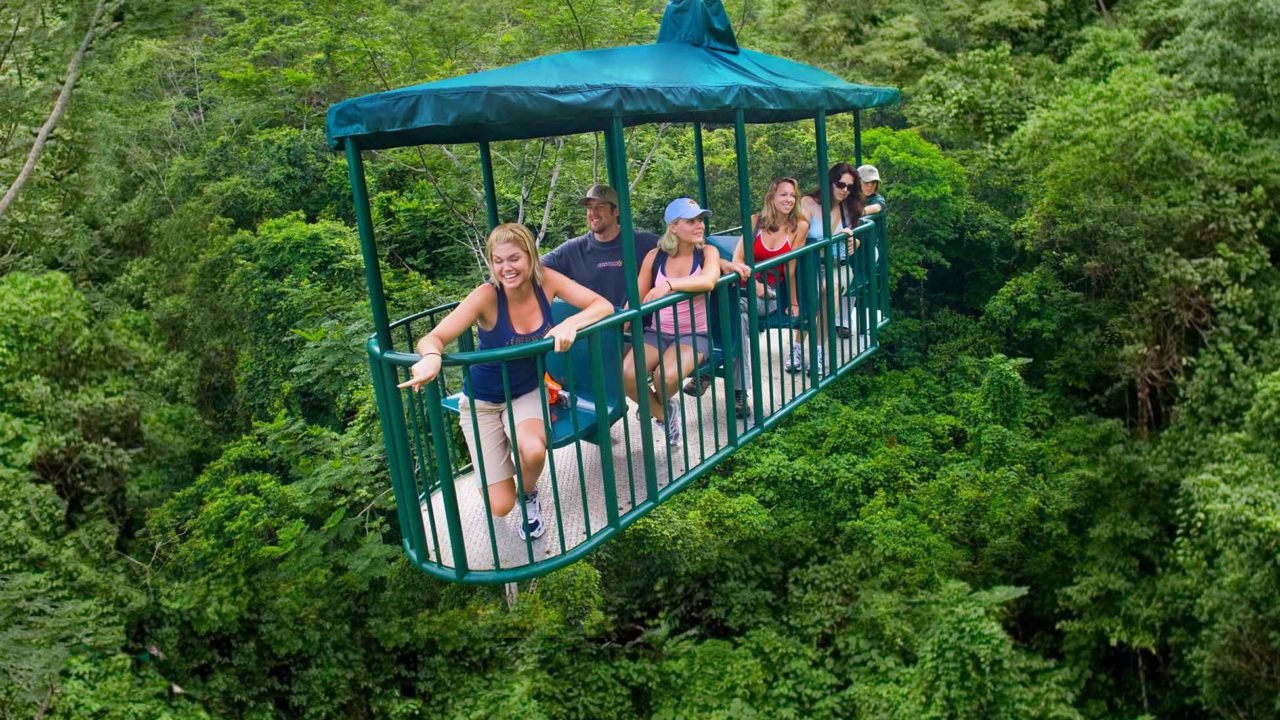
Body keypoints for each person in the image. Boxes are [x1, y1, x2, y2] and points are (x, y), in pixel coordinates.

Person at [398, 223, 612, 540]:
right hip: (482, 401)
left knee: (534, 450)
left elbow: (602, 305)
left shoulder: (547, 282)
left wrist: (571, 323)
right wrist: (431, 357)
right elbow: (434, 337)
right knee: (500, 505)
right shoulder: (487, 296)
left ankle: (528, 493)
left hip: (526, 391)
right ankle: (498, 470)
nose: (506, 268)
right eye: (498, 261)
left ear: (531, 257)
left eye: (514, 258)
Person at [684, 178, 808, 418]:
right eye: (783, 194)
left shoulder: (798, 226)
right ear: (772, 197)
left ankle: (708, 371)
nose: (789, 200)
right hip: (742, 287)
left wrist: (792, 301)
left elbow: (790, 268)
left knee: (726, 311)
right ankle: (738, 391)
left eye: (792, 195)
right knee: (736, 317)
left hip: (769, 294)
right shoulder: (754, 223)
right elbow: (738, 259)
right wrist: (753, 281)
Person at [623, 198, 721, 447]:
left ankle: (654, 405)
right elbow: (636, 296)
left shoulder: (708, 252)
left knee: (664, 377)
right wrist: (617, 325)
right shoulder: (655, 257)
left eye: (700, 220)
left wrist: (669, 285)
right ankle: (663, 413)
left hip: (693, 334)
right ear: (673, 227)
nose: (700, 225)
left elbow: (708, 280)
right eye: (691, 221)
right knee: (628, 374)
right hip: (657, 332)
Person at [541, 184, 660, 309]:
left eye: (600, 207)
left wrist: (669, 285)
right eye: (589, 207)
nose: (593, 213)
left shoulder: (644, 241)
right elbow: (535, 267)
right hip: (597, 325)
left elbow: (677, 252)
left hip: (639, 326)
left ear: (616, 211)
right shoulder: (574, 249)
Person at [794, 163, 859, 373]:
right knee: (813, 293)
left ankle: (818, 351)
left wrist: (853, 242)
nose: (844, 190)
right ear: (830, 182)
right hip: (811, 263)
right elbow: (799, 233)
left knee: (830, 288)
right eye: (841, 184)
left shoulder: (849, 208)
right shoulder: (809, 203)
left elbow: (855, 235)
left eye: (850, 187)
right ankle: (796, 348)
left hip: (836, 265)